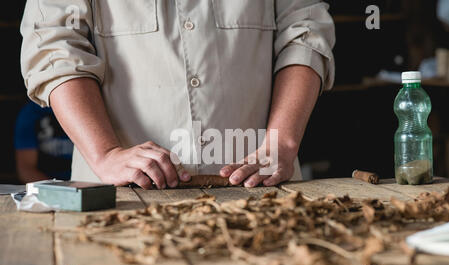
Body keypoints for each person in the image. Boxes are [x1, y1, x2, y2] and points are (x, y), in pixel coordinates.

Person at [20, 0, 335, 189]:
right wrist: (105, 154)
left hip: (262, 188)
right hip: (123, 198)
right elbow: (54, 43)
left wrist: (281, 143)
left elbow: (305, 30)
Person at [14, 101, 73, 183]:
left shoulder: (86, 104)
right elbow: (26, 169)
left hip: (85, 182)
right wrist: (56, 191)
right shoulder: (31, 112)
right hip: (47, 185)